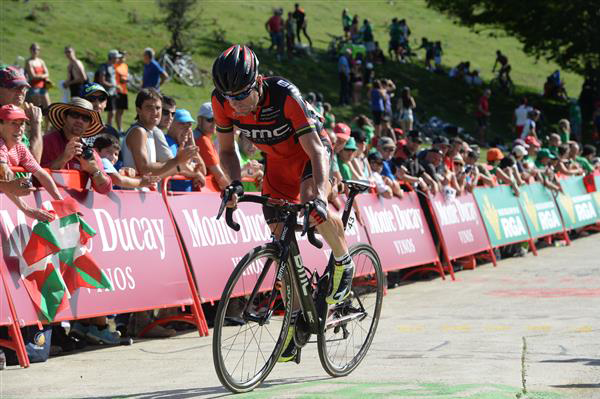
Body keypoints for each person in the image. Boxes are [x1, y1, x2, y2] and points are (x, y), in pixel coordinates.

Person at [211, 45, 354, 361]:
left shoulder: (284, 95)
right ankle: (294, 317)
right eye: (229, 97)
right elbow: (226, 150)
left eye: (242, 95)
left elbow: (317, 152)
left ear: (258, 82)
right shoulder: (222, 100)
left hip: (309, 156)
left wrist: (318, 194)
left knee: (309, 201)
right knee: (280, 244)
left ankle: (344, 261)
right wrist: (233, 183)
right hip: (276, 165)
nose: (236, 104)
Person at [0, 104, 63, 221]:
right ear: (0, 125)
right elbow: (6, 183)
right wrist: (27, 210)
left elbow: (40, 173)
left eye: (22, 123)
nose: (19, 128)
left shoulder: (20, 147)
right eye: (13, 123)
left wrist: (61, 201)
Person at [41, 98, 112, 194]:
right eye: (75, 115)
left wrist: (94, 170)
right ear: (64, 117)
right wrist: (63, 159)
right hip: (48, 204)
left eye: (85, 118)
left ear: (89, 125)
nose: (80, 121)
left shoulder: (89, 152)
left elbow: (105, 189)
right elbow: (35, 178)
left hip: (77, 207)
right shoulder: (46, 142)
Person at [121, 89, 196, 178]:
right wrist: (177, 160)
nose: (155, 112)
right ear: (138, 110)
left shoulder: (149, 131)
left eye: (158, 108)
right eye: (149, 107)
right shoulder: (138, 132)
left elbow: (152, 175)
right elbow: (144, 169)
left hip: (147, 190)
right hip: (136, 191)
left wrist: (179, 166)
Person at [0, 66, 43, 162]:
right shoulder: (3, 119)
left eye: (24, 88)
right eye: (14, 87)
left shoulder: (18, 118)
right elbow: (33, 162)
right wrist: (36, 124)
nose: (21, 92)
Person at [92, 134, 160, 189]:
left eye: (116, 154)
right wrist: (142, 182)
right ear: (96, 151)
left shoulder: (96, 164)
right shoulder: (103, 161)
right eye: (108, 152)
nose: (113, 157)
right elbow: (118, 180)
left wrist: (124, 174)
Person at [194, 102, 229, 190]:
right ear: (199, 120)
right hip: (206, 193)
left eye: (216, 119)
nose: (214, 123)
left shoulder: (202, 137)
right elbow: (219, 176)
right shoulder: (202, 140)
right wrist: (234, 188)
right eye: (210, 119)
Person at [96, 50, 119, 127]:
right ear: (112, 58)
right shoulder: (103, 67)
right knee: (99, 110)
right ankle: (97, 126)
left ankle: (109, 128)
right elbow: (102, 81)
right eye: (116, 58)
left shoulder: (113, 67)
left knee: (112, 112)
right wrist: (113, 85)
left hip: (112, 93)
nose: (118, 59)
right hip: (104, 93)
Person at [24, 43, 51, 109]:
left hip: (43, 87)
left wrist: (40, 76)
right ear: (30, 50)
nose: (35, 51)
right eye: (34, 49)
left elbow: (47, 73)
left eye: (37, 49)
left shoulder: (41, 61)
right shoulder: (28, 62)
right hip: (34, 87)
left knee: (48, 107)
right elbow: (32, 76)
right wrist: (43, 76)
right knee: (37, 108)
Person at [114, 51, 129, 132]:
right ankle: (115, 128)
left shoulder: (125, 66)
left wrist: (126, 80)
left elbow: (125, 77)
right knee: (114, 111)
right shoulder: (114, 65)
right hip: (116, 91)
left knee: (121, 111)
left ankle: (120, 128)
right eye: (121, 57)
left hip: (124, 91)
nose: (122, 58)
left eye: (124, 57)